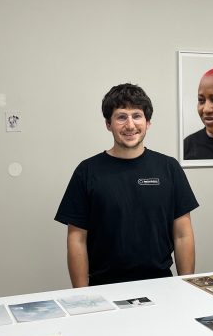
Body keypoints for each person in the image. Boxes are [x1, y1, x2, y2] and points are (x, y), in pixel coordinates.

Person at [55, 83, 199, 287]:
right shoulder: (87, 171)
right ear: (108, 124)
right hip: (104, 286)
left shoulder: (169, 168)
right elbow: (77, 240)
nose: (130, 125)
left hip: (162, 285)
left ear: (147, 122)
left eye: (137, 116)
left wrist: (187, 286)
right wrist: (81, 294)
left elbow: (183, 235)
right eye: (121, 117)